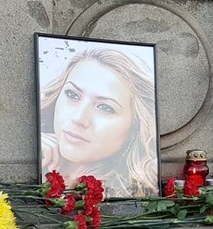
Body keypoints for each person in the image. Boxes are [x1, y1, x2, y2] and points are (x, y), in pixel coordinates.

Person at [40, 48, 158, 198]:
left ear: (136, 126)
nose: (78, 118)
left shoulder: (133, 194)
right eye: (72, 94)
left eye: (105, 107)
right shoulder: (35, 150)